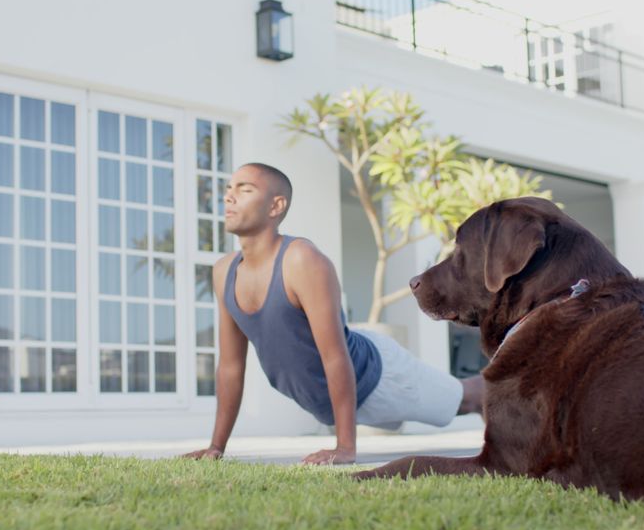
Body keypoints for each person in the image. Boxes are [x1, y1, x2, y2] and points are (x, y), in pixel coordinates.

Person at [182, 163, 484, 465]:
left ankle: (505, 378)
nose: (229, 197)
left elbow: (336, 355)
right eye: (228, 189)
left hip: (377, 376)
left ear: (276, 206)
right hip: (338, 395)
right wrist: (215, 447)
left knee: (467, 398)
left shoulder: (301, 260)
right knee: (461, 398)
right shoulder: (224, 272)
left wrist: (344, 448)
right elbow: (231, 367)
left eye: (244, 190)